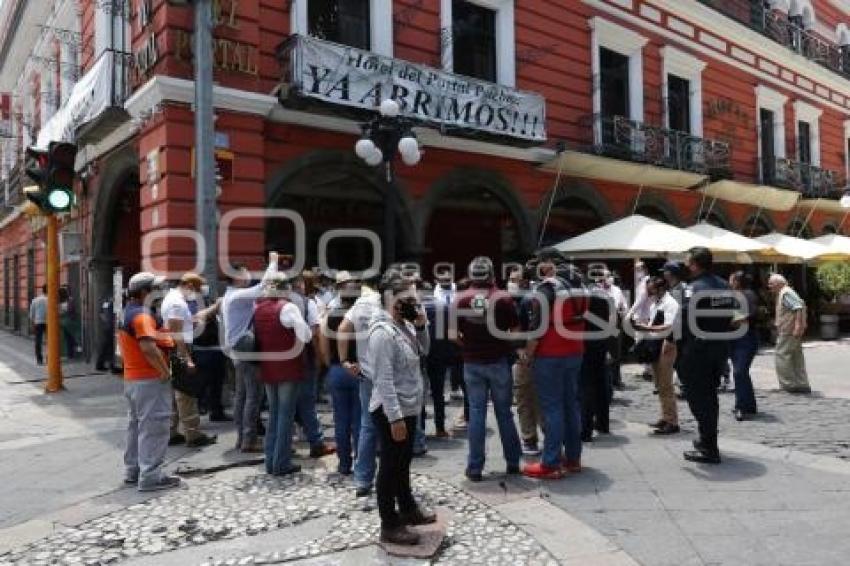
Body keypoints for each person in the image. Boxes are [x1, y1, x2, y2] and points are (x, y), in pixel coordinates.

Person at [368, 271, 435, 545]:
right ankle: (389, 523)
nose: (415, 303)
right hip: (390, 411)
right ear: (393, 301)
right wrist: (395, 418)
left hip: (408, 406)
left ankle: (408, 508)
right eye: (409, 298)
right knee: (389, 466)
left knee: (403, 462)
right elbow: (383, 380)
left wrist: (421, 326)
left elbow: (425, 351)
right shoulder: (382, 333)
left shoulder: (403, 326)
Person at [454, 257, 523, 482]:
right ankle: (513, 462)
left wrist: (469, 346)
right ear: (492, 274)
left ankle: (475, 468)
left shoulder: (460, 299)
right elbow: (515, 331)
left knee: (476, 415)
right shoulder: (503, 298)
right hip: (498, 361)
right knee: (504, 413)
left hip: (472, 363)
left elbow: (453, 335)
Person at [522, 254, 587, 479]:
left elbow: (536, 329)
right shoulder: (580, 283)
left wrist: (528, 356)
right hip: (575, 350)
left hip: (550, 353)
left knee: (552, 408)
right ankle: (573, 458)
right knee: (570, 405)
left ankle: (550, 463)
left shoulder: (547, 288)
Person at [118, 272, 181, 491]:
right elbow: (147, 347)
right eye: (155, 289)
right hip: (149, 379)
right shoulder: (142, 316)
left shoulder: (130, 312)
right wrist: (165, 373)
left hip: (134, 380)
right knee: (154, 427)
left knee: (136, 426)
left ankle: (133, 471)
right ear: (145, 292)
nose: (160, 293)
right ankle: (151, 476)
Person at [252, 272, 313, 476]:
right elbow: (305, 334)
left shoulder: (258, 307)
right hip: (288, 366)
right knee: (285, 416)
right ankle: (281, 463)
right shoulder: (288, 307)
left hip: (268, 367)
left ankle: (271, 461)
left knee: (274, 415)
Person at [680, 247, 735, 464]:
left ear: (694, 264)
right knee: (710, 396)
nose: (685, 265)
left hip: (697, 351)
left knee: (698, 398)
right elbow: (733, 315)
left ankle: (709, 448)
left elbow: (684, 323)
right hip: (719, 348)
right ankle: (706, 439)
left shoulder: (691, 289)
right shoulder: (725, 285)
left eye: (687, 262)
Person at [222, 253, 279, 453]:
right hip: (245, 347)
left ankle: (242, 437)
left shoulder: (231, 295)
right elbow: (263, 287)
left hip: (237, 348)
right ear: (237, 275)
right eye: (245, 271)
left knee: (242, 395)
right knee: (253, 395)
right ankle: (249, 439)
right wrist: (272, 263)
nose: (248, 274)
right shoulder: (238, 295)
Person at [337, 272, 383, 497]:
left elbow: (343, 330)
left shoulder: (361, 304)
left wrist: (345, 360)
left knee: (368, 425)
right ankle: (392, 479)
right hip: (392, 373)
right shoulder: (388, 300)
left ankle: (363, 479)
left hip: (367, 372)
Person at [161, 273, 216, 448]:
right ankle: (193, 434)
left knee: (176, 393)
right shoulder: (177, 303)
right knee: (186, 394)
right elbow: (176, 333)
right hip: (180, 349)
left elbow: (182, 324)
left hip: (176, 349)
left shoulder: (173, 299)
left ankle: (172, 432)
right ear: (190, 286)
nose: (198, 294)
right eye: (198, 290)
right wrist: (187, 358)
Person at [286, 272, 336, 458]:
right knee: (307, 400)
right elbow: (315, 334)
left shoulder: (277, 304)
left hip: (281, 359)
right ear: (299, 284)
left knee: (285, 402)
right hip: (303, 357)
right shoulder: (309, 303)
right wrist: (319, 357)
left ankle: (286, 442)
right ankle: (316, 442)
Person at [320, 276, 361, 474]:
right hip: (360, 370)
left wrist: (332, 365)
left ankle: (344, 463)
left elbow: (325, 347)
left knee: (341, 419)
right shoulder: (362, 316)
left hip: (337, 369)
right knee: (360, 420)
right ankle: (362, 462)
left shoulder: (331, 315)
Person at [637, 276, 680, 435]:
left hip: (666, 345)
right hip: (655, 344)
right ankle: (665, 416)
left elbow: (669, 326)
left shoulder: (670, 303)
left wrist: (646, 328)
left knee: (666, 384)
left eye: (651, 289)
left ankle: (672, 421)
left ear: (660, 289)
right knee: (659, 384)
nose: (648, 291)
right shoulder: (657, 302)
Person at [582, 270, 615, 442]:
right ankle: (603, 423)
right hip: (601, 343)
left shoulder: (584, 299)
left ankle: (585, 429)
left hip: (586, 344)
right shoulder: (603, 297)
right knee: (601, 384)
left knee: (586, 387)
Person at [512, 264, 541, 455]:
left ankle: (529, 439)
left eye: (515, 280)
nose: (512, 283)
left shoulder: (524, 300)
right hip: (548, 355)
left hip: (527, 356)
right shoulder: (549, 295)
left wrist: (521, 351)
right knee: (544, 398)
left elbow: (519, 331)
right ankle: (553, 438)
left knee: (524, 397)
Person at [767, 273, 811, 394]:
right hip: (791, 330)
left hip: (788, 330)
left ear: (779, 283)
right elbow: (799, 306)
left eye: (771, 284)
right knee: (796, 357)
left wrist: (797, 326)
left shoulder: (785, 292)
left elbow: (797, 307)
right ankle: (801, 384)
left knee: (781, 355)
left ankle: (788, 385)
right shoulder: (788, 292)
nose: (769, 286)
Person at [729, 271, 759, 420]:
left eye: (731, 279)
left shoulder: (748, 294)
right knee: (741, 372)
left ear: (737, 281)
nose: (729, 282)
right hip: (735, 338)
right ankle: (749, 405)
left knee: (739, 372)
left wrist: (737, 320)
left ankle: (741, 407)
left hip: (746, 338)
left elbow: (753, 313)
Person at [629, 261, 653, 382]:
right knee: (643, 342)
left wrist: (630, 312)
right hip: (644, 316)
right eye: (636, 269)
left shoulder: (646, 281)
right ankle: (648, 368)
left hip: (645, 317)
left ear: (645, 269)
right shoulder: (643, 281)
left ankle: (648, 369)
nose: (637, 271)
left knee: (643, 343)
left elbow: (641, 299)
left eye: (639, 269)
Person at [29, 285, 47, 365]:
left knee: (38, 341)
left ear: (42, 290)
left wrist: (32, 324)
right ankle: (50, 358)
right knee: (50, 341)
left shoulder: (35, 300)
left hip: (38, 322)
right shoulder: (51, 299)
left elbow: (31, 315)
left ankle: (39, 360)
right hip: (49, 323)